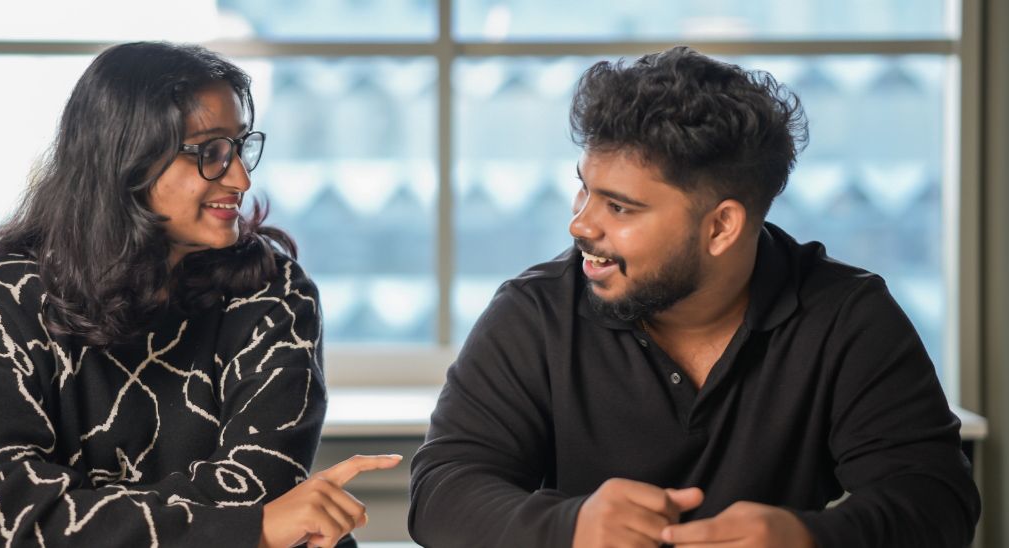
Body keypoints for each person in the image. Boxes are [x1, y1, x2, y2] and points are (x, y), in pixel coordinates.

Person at [408, 46, 979, 547]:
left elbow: (937, 500)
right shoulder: (534, 313)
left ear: (721, 227)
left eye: (619, 207)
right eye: (584, 189)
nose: (580, 224)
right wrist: (570, 528)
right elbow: (442, 491)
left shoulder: (848, 316)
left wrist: (811, 539)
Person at [0, 41, 399, 548]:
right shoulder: (8, 297)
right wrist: (247, 531)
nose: (241, 177)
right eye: (209, 152)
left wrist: (70, 516)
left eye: (239, 146)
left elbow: (262, 496)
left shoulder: (274, 294)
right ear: (127, 160)